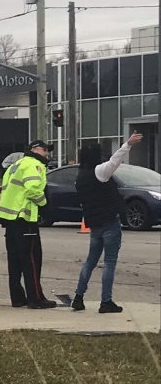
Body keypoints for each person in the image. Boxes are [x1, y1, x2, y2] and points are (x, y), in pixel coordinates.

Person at [72, 132, 143, 313]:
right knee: (109, 262)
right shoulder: (99, 172)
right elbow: (114, 161)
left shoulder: (80, 177)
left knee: (90, 261)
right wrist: (127, 144)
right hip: (109, 222)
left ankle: (78, 297)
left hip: (94, 224)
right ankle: (106, 301)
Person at [0, 140, 56, 309]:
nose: (47, 154)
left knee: (14, 261)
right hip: (24, 218)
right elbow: (33, 189)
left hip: (9, 218)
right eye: (44, 150)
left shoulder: (16, 165)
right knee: (32, 259)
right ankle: (36, 298)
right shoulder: (34, 165)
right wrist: (45, 206)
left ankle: (18, 297)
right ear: (34, 150)